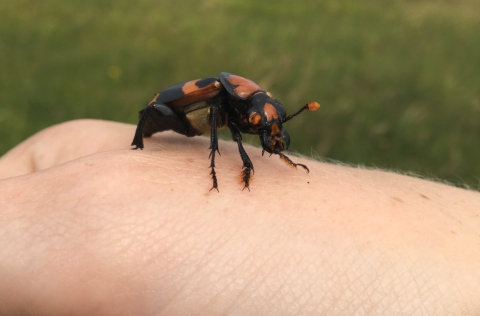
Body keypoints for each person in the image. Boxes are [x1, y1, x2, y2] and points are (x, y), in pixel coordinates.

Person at [0, 119, 479, 315]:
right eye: (271, 133)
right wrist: (215, 163)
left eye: (276, 137)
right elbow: (219, 128)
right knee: (217, 135)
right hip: (169, 109)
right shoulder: (226, 105)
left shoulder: (248, 111)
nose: (273, 137)